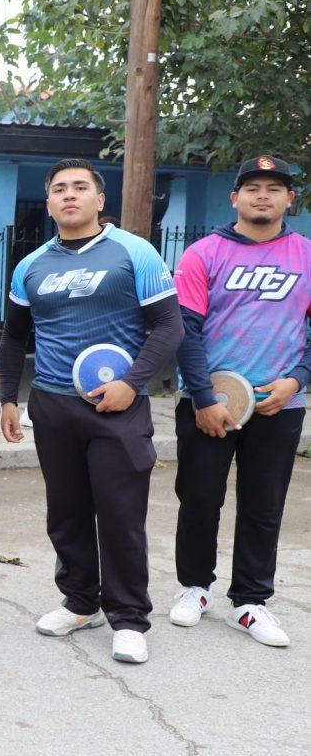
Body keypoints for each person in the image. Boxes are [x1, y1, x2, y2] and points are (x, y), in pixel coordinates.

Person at [0, 158, 183, 664]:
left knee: (121, 516)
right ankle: (81, 602)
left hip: (117, 407)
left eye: (80, 187)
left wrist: (131, 383)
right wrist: (8, 398)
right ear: (49, 202)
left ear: (100, 200)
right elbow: (14, 336)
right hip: (52, 405)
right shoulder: (31, 265)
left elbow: (169, 326)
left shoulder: (134, 251)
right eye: (59, 188)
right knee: (67, 512)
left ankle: (129, 618)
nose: (69, 194)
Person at [170, 155, 311, 647]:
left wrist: (297, 380)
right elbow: (184, 330)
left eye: (274, 188)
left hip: (278, 404)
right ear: (235, 198)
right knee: (199, 498)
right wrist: (203, 397)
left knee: (263, 505)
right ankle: (194, 587)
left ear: (290, 198)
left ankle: (250, 602)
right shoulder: (203, 254)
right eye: (252, 187)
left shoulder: (306, 256)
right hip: (208, 403)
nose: (262, 195)